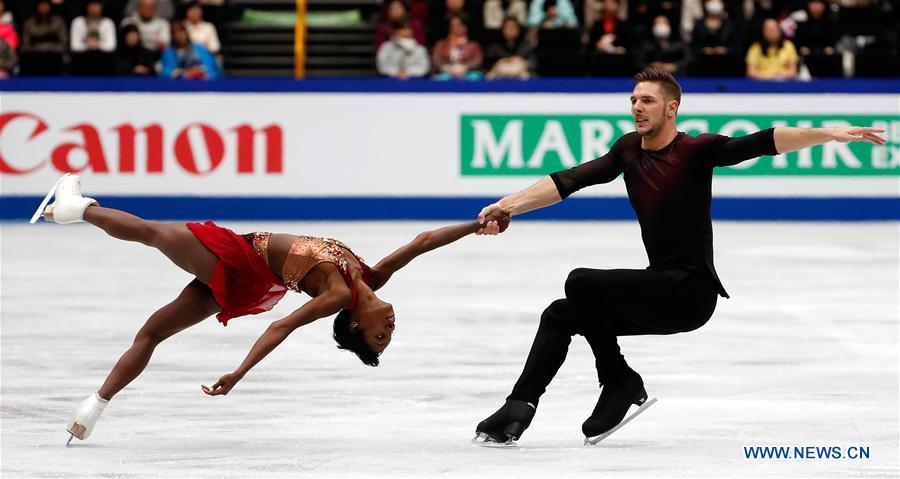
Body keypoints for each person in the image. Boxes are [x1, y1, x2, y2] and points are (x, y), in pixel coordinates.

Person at [471, 67, 886, 445]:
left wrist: (828, 133)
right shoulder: (628, 151)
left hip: (690, 293)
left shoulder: (697, 150)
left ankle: (619, 381)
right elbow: (567, 181)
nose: (636, 107)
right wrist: (506, 205)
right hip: (657, 289)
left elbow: (765, 141)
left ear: (672, 108)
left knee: (581, 282)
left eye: (647, 100)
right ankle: (519, 406)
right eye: (633, 100)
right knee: (561, 313)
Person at [32, 174, 510, 443]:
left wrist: (239, 372)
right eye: (389, 332)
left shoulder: (341, 295)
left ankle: (79, 207)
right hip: (247, 279)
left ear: (352, 322)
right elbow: (424, 241)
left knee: (156, 233)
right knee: (153, 332)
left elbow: (282, 326)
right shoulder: (371, 276)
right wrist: (477, 224)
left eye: (380, 335)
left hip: (241, 258)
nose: (390, 324)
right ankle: (93, 407)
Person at [432, 15, 483, 80]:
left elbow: (477, 61)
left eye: (458, 25)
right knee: (440, 79)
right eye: (452, 26)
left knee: (475, 77)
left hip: (467, 72)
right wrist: (449, 68)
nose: (455, 28)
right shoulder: (441, 44)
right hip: (446, 73)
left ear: (465, 27)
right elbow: (436, 60)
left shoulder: (473, 45)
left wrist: (465, 67)